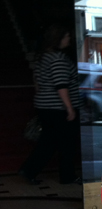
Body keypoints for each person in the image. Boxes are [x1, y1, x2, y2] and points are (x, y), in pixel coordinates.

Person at [20, 24, 81, 184]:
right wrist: (69, 108)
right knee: (65, 143)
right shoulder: (58, 59)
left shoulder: (44, 57)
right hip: (58, 108)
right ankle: (66, 176)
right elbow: (61, 85)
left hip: (46, 105)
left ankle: (29, 170)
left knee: (49, 141)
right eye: (67, 36)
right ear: (58, 39)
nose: (69, 39)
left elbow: (37, 82)